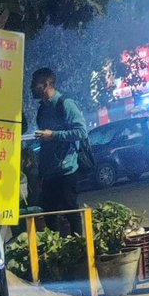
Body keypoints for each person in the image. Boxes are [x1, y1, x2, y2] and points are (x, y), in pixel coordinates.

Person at [31, 68, 87, 234]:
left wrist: (53, 135)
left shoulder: (65, 104)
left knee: (71, 211)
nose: (31, 88)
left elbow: (81, 132)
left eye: (35, 84)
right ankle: (58, 250)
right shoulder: (42, 109)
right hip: (49, 171)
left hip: (67, 169)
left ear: (46, 84)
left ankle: (79, 247)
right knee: (48, 212)